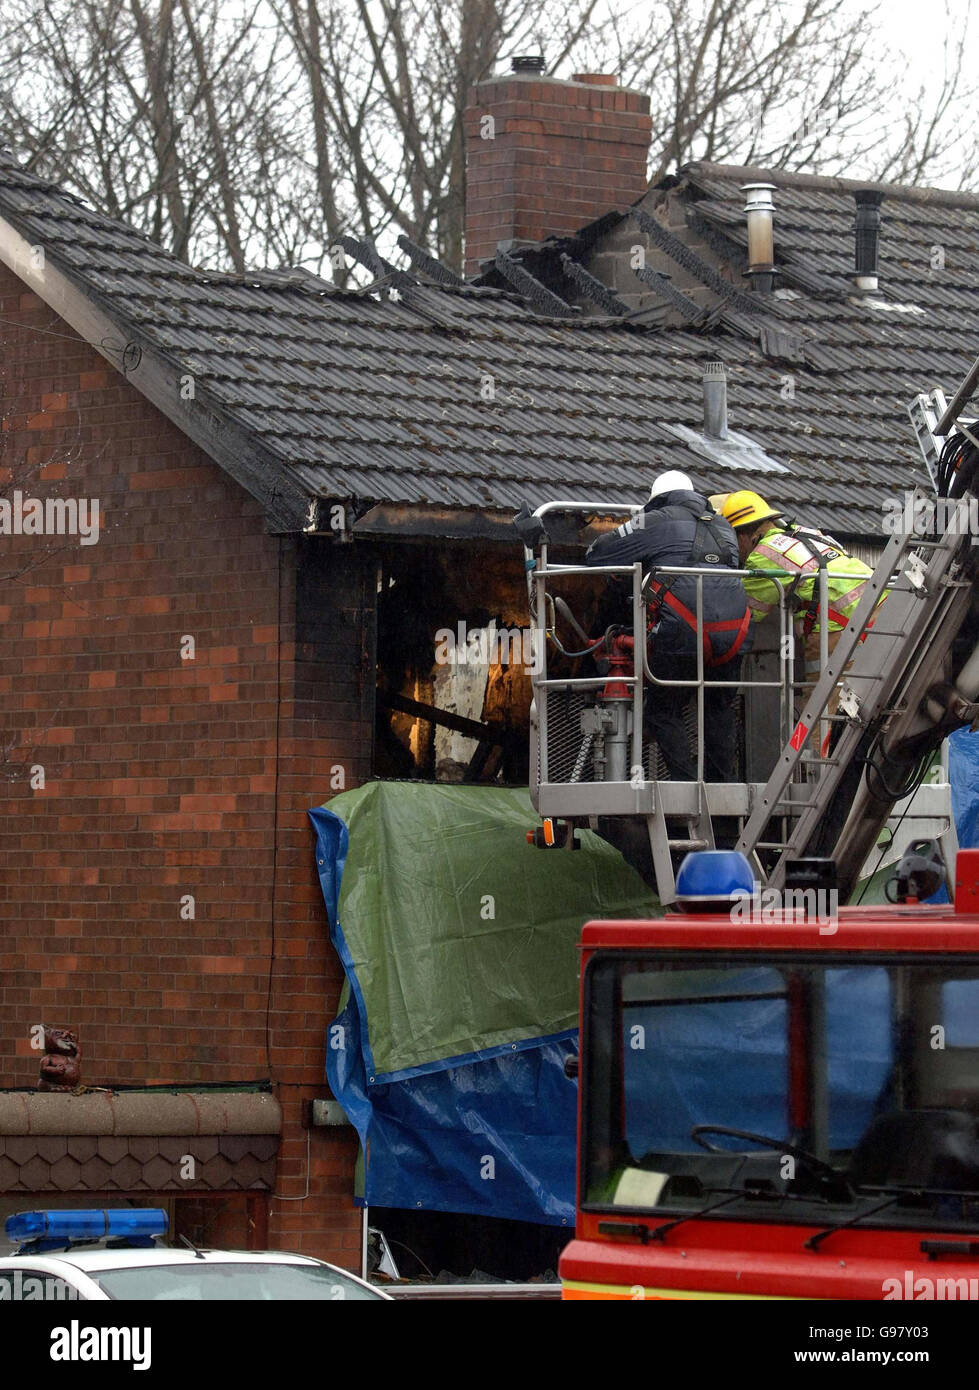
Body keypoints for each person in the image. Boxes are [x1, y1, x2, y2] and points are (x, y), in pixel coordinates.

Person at [585, 471, 751, 782]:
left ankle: (686, 785)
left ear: (656, 500)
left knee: (662, 710)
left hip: (685, 633)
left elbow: (597, 553)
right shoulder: (725, 527)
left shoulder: (656, 520)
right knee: (719, 709)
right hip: (734, 635)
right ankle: (721, 792)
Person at [717, 489, 884, 720]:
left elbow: (742, 615)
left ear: (743, 537)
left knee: (821, 719)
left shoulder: (762, 555)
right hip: (884, 611)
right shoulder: (808, 533)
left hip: (841, 629)